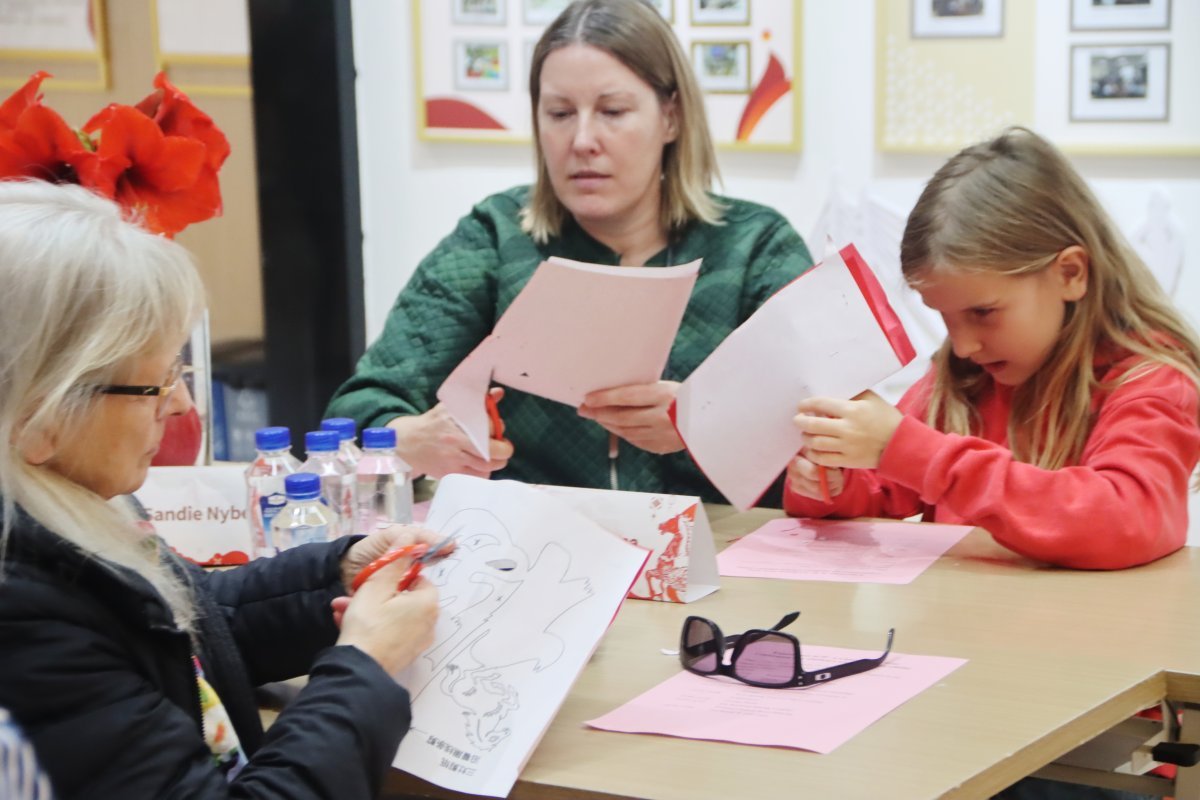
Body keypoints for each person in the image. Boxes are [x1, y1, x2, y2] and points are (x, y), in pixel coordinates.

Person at [0, 180, 443, 799]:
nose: (181, 404)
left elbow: (186, 624)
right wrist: (365, 666)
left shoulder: (61, 507)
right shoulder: (24, 616)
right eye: (156, 384)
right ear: (38, 417)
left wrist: (338, 575)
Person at [326, 0, 813, 504]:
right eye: (559, 114)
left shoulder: (755, 247)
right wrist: (412, 441)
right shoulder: (496, 238)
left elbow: (826, 422)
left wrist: (706, 421)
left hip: (724, 540)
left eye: (612, 112)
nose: (582, 141)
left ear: (671, 117)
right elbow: (357, 413)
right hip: (532, 540)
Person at [784, 127, 1200, 570]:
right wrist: (831, 481)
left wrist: (912, 451)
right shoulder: (964, 377)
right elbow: (881, 490)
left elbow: (1121, 520)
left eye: (983, 312)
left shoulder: (1152, 381)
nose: (962, 345)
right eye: (944, 316)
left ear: (1070, 273)